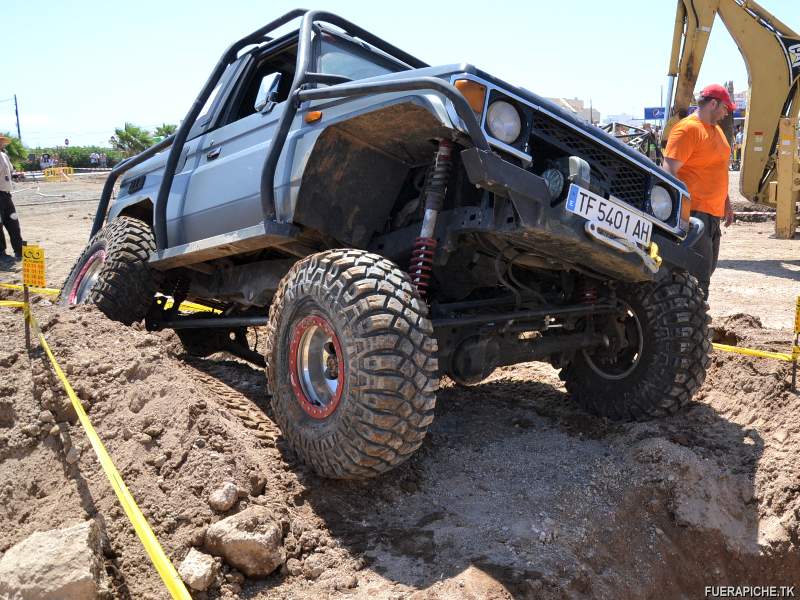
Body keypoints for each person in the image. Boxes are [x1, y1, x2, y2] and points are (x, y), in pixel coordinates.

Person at [663, 83, 735, 299]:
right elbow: (668, 172)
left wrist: (726, 202)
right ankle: (692, 324)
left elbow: (718, 169)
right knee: (698, 277)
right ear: (713, 103)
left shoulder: (716, 131)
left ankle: (693, 319)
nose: (725, 113)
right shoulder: (688, 129)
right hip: (694, 215)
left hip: (712, 214)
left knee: (706, 271)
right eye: (724, 108)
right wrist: (682, 213)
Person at [0, 136, 24, 264]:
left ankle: (19, 249)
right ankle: (1, 252)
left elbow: (9, 170)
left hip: (5, 193)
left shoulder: (3, 155)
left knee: (13, 222)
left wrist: (15, 175)